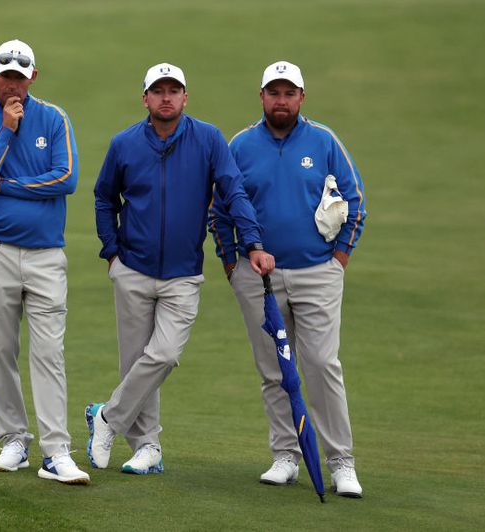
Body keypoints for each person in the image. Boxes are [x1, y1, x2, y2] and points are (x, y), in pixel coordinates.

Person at [88, 63, 275, 475]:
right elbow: (104, 198)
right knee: (134, 361)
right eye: (158, 91)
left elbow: (234, 191)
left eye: (174, 90)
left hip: (183, 273)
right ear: (145, 99)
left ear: (185, 98)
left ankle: (107, 418)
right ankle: (147, 447)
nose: (166, 97)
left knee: (164, 355)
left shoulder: (208, 139)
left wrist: (254, 242)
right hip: (132, 268)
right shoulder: (124, 144)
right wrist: (112, 253)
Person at [208, 61, 366, 497]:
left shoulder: (324, 141)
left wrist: (338, 260)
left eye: (289, 93)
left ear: (302, 97)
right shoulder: (240, 145)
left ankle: (341, 462)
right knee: (275, 369)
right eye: (274, 93)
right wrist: (230, 264)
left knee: (321, 365)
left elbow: (355, 201)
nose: (282, 101)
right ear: (262, 96)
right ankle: (285, 455)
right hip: (257, 276)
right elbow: (219, 210)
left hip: (318, 272)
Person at [0, 39, 89, 485]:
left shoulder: (54, 119)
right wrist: (6, 132)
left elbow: (66, 178)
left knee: (49, 353)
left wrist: (6, 185)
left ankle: (56, 452)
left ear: (33, 77)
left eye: (20, 76)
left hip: (46, 254)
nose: (12, 84)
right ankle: (14, 440)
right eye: (5, 76)